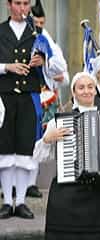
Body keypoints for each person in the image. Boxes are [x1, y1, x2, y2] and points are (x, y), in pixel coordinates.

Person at [33, 72, 100, 240]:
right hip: (68, 196)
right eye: (81, 88)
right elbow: (38, 156)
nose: (87, 91)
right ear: (73, 92)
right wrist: (46, 140)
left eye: (90, 87)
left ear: (96, 91)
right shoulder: (60, 120)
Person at [0, 0, 44, 219]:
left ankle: (21, 202)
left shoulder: (38, 33)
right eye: (18, 3)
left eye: (26, 3)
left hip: (28, 97)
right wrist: (6, 67)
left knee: (25, 151)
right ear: (9, 5)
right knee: (6, 150)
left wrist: (42, 61)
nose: (22, 8)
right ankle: (7, 201)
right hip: (5, 97)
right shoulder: (0, 31)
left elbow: (59, 68)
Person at [23, 0, 70, 199]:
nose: (39, 26)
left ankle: (30, 183)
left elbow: (63, 71)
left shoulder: (46, 39)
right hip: (18, 94)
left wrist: (45, 62)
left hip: (41, 97)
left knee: (36, 137)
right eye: (36, 22)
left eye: (42, 22)